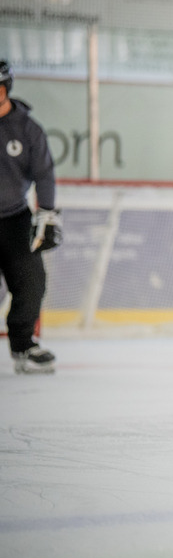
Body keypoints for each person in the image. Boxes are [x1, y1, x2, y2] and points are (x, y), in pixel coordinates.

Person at [0, 60, 62, 374]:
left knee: (32, 282)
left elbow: (45, 174)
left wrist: (47, 212)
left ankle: (23, 346)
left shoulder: (27, 128)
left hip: (14, 219)